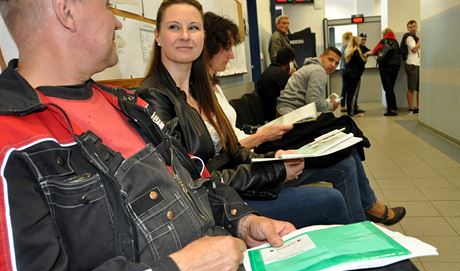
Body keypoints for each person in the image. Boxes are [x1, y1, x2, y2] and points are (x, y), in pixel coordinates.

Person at [0, 1, 442, 271]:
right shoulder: (13, 142)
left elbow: (197, 175)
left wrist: (243, 219)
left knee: (387, 266)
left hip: (227, 256)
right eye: (105, 5)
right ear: (66, 10)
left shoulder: (123, 105)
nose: (117, 21)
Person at [139, 8, 406, 227]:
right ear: (158, 36)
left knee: (341, 163)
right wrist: (273, 167)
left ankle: (365, 243)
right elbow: (192, 181)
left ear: (202, 38)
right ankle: (362, 256)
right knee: (332, 200)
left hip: (236, 181)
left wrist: (272, 160)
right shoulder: (156, 96)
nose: (185, 36)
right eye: (174, 27)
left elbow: (231, 149)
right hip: (221, 200)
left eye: (193, 28)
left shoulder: (197, 90)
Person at [276, 47, 341, 115]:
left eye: (336, 63)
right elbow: (314, 103)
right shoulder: (319, 71)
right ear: (321, 57)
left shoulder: (310, 66)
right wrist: (331, 105)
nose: (333, 65)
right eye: (330, 60)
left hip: (284, 110)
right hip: (290, 113)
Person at [367, 28, 401, 116]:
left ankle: (391, 110)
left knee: (387, 88)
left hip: (385, 67)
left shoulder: (384, 41)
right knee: (391, 88)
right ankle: (394, 107)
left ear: (384, 34)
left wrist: (367, 53)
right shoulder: (396, 42)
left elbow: (375, 51)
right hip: (396, 67)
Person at [256, 46, 296, 122]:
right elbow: (292, 95)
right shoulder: (282, 75)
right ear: (290, 62)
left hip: (265, 112)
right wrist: (293, 77)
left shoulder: (269, 70)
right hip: (274, 115)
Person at [342, 35, 368, 116]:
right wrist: (366, 56)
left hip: (347, 73)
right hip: (354, 75)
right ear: (357, 42)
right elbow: (361, 62)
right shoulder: (356, 50)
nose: (362, 41)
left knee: (349, 93)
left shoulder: (349, 50)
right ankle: (352, 112)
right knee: (353, 94)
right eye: (360, 40)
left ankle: (351, 111)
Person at [402, 20, 420, 114]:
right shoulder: (409, 38)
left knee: (419, 88)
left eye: (414, 26)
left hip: (417, 64)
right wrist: (421, 40)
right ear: (408, 28)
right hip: (411, 65)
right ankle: (411, 109)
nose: (413, 28)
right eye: (411, 27)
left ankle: (418, 108)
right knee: (411, 88)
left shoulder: (416, 38)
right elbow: (414, 49)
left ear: (417, 27)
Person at [339, 31, 353, 113]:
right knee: (346, 88)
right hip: (345, 69)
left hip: (342, 69)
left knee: (345, 88)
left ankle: (344, 104)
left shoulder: (344, 46)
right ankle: (343, 105)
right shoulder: (347, 46)